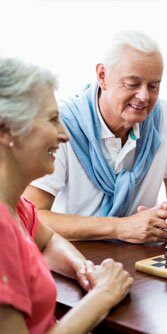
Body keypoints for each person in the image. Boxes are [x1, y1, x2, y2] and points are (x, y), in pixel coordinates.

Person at [23, 31, 167, 244]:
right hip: (74, 259)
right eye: (132, 84)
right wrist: (120, 227)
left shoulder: (163, 115)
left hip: (139, 256)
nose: (144, 96)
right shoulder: (60, 124)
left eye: (153, 86)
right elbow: (32, 216)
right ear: (102, 76)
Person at [0, 57, 133, 333]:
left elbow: (47, 241)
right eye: (52, 119)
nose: (64, 134)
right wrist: (103, 295)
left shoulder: (17, 206)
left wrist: (83, 268)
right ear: (6, 130)